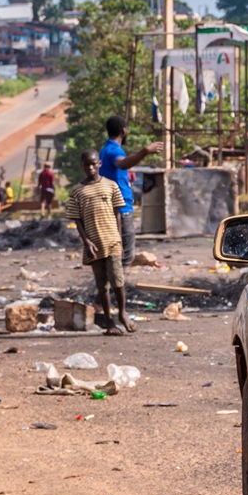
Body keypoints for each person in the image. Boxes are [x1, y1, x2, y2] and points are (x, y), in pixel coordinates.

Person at [65, 149, 132, 336]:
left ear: (100, 164)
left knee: (118, 280)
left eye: (94, 164)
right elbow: (76, 219)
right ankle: (109, 322)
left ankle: (123, 313)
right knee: (102, 285)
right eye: (87, 164)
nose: (91, 167)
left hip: (112, 241)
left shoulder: (111, 186)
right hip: (93, 245)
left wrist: (118, 237)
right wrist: (86, 241)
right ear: (82, 166)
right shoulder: (78, 191)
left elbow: (118, 213)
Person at [100, 116, 163, 268]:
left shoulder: (105, 149)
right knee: (124, 255)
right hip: (120, 209)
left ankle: (115, 285)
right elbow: (122, 163)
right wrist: (145, 151)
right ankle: (120, 287)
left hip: (113, 205)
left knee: (115, 253)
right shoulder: (113, 150)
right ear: (124, 131)